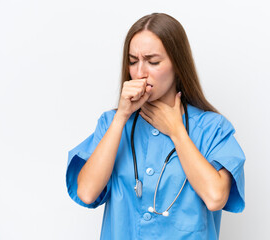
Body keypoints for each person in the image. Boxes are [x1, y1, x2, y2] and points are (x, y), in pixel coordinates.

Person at [66, 13, 245, 240]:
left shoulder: (212, 128)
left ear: (177, 65)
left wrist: (177, 131)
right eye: (133, 61)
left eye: (153, 61)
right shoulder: (111, 124)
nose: (140, 72)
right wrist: (121, 116)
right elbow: (87, 192)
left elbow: (215, 197)